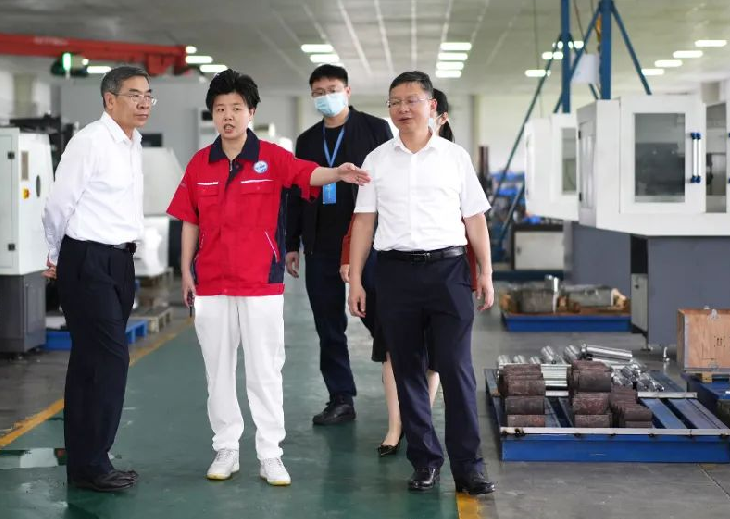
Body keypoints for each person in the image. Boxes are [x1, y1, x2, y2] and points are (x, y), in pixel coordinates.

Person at [166, 69, 369, 487]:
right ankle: (226, 448)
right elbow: (189, 219)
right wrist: (186, 270)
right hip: (212, 283)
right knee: (217, 370)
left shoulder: (272, 157)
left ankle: (270, 453)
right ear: (212, 114)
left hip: (260, 281)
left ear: (251, 112)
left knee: (264, 370)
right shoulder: (200, 164)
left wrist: (338, 172)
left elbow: (305, 173)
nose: (227, 116)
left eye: (236, 107)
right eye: (219, 109)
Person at [348, 72, 496, 495]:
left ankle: (468, 468)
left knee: (456, 368)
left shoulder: (454, 157)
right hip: (395, 274)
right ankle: (425, 461)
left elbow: (475, 219)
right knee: (407, 370)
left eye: (411, 100)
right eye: (395, 101)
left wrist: (485, 272)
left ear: (432, 106)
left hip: (449, 273)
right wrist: (356, 279)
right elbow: (363, 223)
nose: (403, 108)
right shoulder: (377, 159)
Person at [41, 66, 154, 493]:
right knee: (109, 360)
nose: (144, 103)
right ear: (110, 100)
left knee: (90, 363)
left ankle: (86, 464)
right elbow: (58, 205)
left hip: (119, 261)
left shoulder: (132, 145)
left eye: (148, 95)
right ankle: (93, 463)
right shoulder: (89, 142)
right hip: (87, 259)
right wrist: (56, 254)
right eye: (134, 95)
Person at [284, 64, 393, 426]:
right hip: (320, 244)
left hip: (368, 242)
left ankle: (406, 384)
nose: (325, 97)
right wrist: (292, 242)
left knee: (380, 316)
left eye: (331, 89)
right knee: (328, 326)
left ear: (347, 91)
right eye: (318, 92)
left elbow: (387, 185)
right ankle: (340, 397)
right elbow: (296, 192)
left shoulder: (374, 129)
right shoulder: (307, 141)